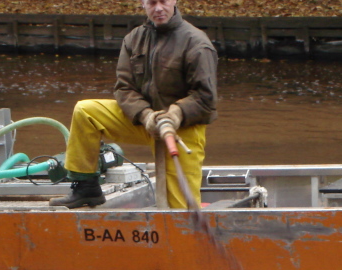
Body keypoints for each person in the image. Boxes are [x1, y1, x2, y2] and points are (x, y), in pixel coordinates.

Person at [51, 0, 218, 209]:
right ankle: (86, 187)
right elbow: (124, 88)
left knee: (181, 210)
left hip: (182, 130)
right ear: (143, 4)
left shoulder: (196, 43)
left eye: (163, 1)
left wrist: (176, 113)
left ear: (174, 1)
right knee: (86, 112)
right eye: (151, 2)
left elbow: (206, 97)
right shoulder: (134, 39)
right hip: (142, 121)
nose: (158, 8)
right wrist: (145, 115)